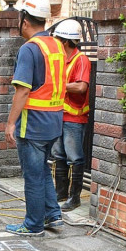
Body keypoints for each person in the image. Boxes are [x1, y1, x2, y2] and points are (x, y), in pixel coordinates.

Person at [4, 0, 67, 236]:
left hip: (33, 124)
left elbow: (23, 89)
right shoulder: (57, 45)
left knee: (33, 176)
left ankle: (33, 224)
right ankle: (53, 215)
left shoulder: (29, 49)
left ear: (24, 21)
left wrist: (10, 123)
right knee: (42, 170)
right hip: (54, 122)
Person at [51, 19, 91, 212]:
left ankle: (75, 197)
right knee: (59, 155)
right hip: (59, 114)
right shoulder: (60, 59)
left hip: (74, 118)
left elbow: (82, 86)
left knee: (74, 158)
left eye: (57, 39)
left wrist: (59, 86)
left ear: (65, 41)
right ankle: (61, 192)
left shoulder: (80, 59)